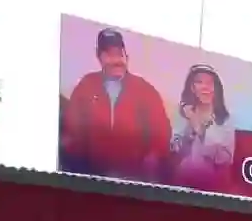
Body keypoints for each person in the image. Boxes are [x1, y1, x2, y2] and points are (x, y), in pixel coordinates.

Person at [61, 28, 172, 182]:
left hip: (135, 182)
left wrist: (149, 167)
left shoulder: (145, 89)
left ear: (127, 56)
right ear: (99, 57)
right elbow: (72, 131)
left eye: (119, 54)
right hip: (92, 179)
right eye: (109, 55)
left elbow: (162, 133)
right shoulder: (86, 86)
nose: (116, 60)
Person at [170, 64, 235, 189]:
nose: (205, 87)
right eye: (199, 82)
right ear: (192, 88)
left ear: (216, 89)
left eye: (210, 83)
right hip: (180, 186)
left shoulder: (225, 119)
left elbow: (225, 158)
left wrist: (201, 131)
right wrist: (190, 129)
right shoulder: (183, 113)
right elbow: (174, 148)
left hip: (212, 189)